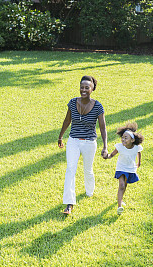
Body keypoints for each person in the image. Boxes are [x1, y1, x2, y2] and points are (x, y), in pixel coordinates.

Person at [58, 75, 108, 215]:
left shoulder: (98, 106)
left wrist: (105, 146)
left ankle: (89, 191)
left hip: (89, 142)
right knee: (70, 169)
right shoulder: (72, 103)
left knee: (88, 170)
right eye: (82, 87)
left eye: (87, 87)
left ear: (92, 89)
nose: (84, 90)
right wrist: (60, 136)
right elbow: (67, 121)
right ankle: (69, 203)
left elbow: (103, 127)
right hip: (73, 140)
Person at [104, 122, 144, 215]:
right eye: (122, 137)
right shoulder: (120, 147)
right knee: (121, 185)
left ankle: (120, 200)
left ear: (132, 140)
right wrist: (107, 156)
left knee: (125, 185)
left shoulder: (136, 147)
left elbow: (139, 152)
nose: (123, 139)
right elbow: (112, 155)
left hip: (130, 168)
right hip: (121, 167)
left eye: (126, 138)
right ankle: (119, 207)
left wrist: (139, 162)